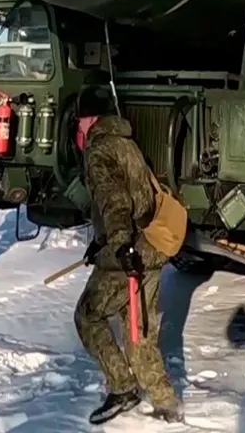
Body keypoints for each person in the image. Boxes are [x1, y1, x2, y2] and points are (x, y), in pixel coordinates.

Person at [73, 109, 183, 425]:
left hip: (131, 249)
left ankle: (123, 388)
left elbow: (115, 200)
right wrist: (101, 241)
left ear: (90, 119)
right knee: (138, 326)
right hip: (152, 245)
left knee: (88, 316)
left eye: (79, 120)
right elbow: (139, 195)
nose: (78, 126)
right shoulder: (125, 141)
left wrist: (120, 245)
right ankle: (165, 401)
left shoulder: (99, 149)